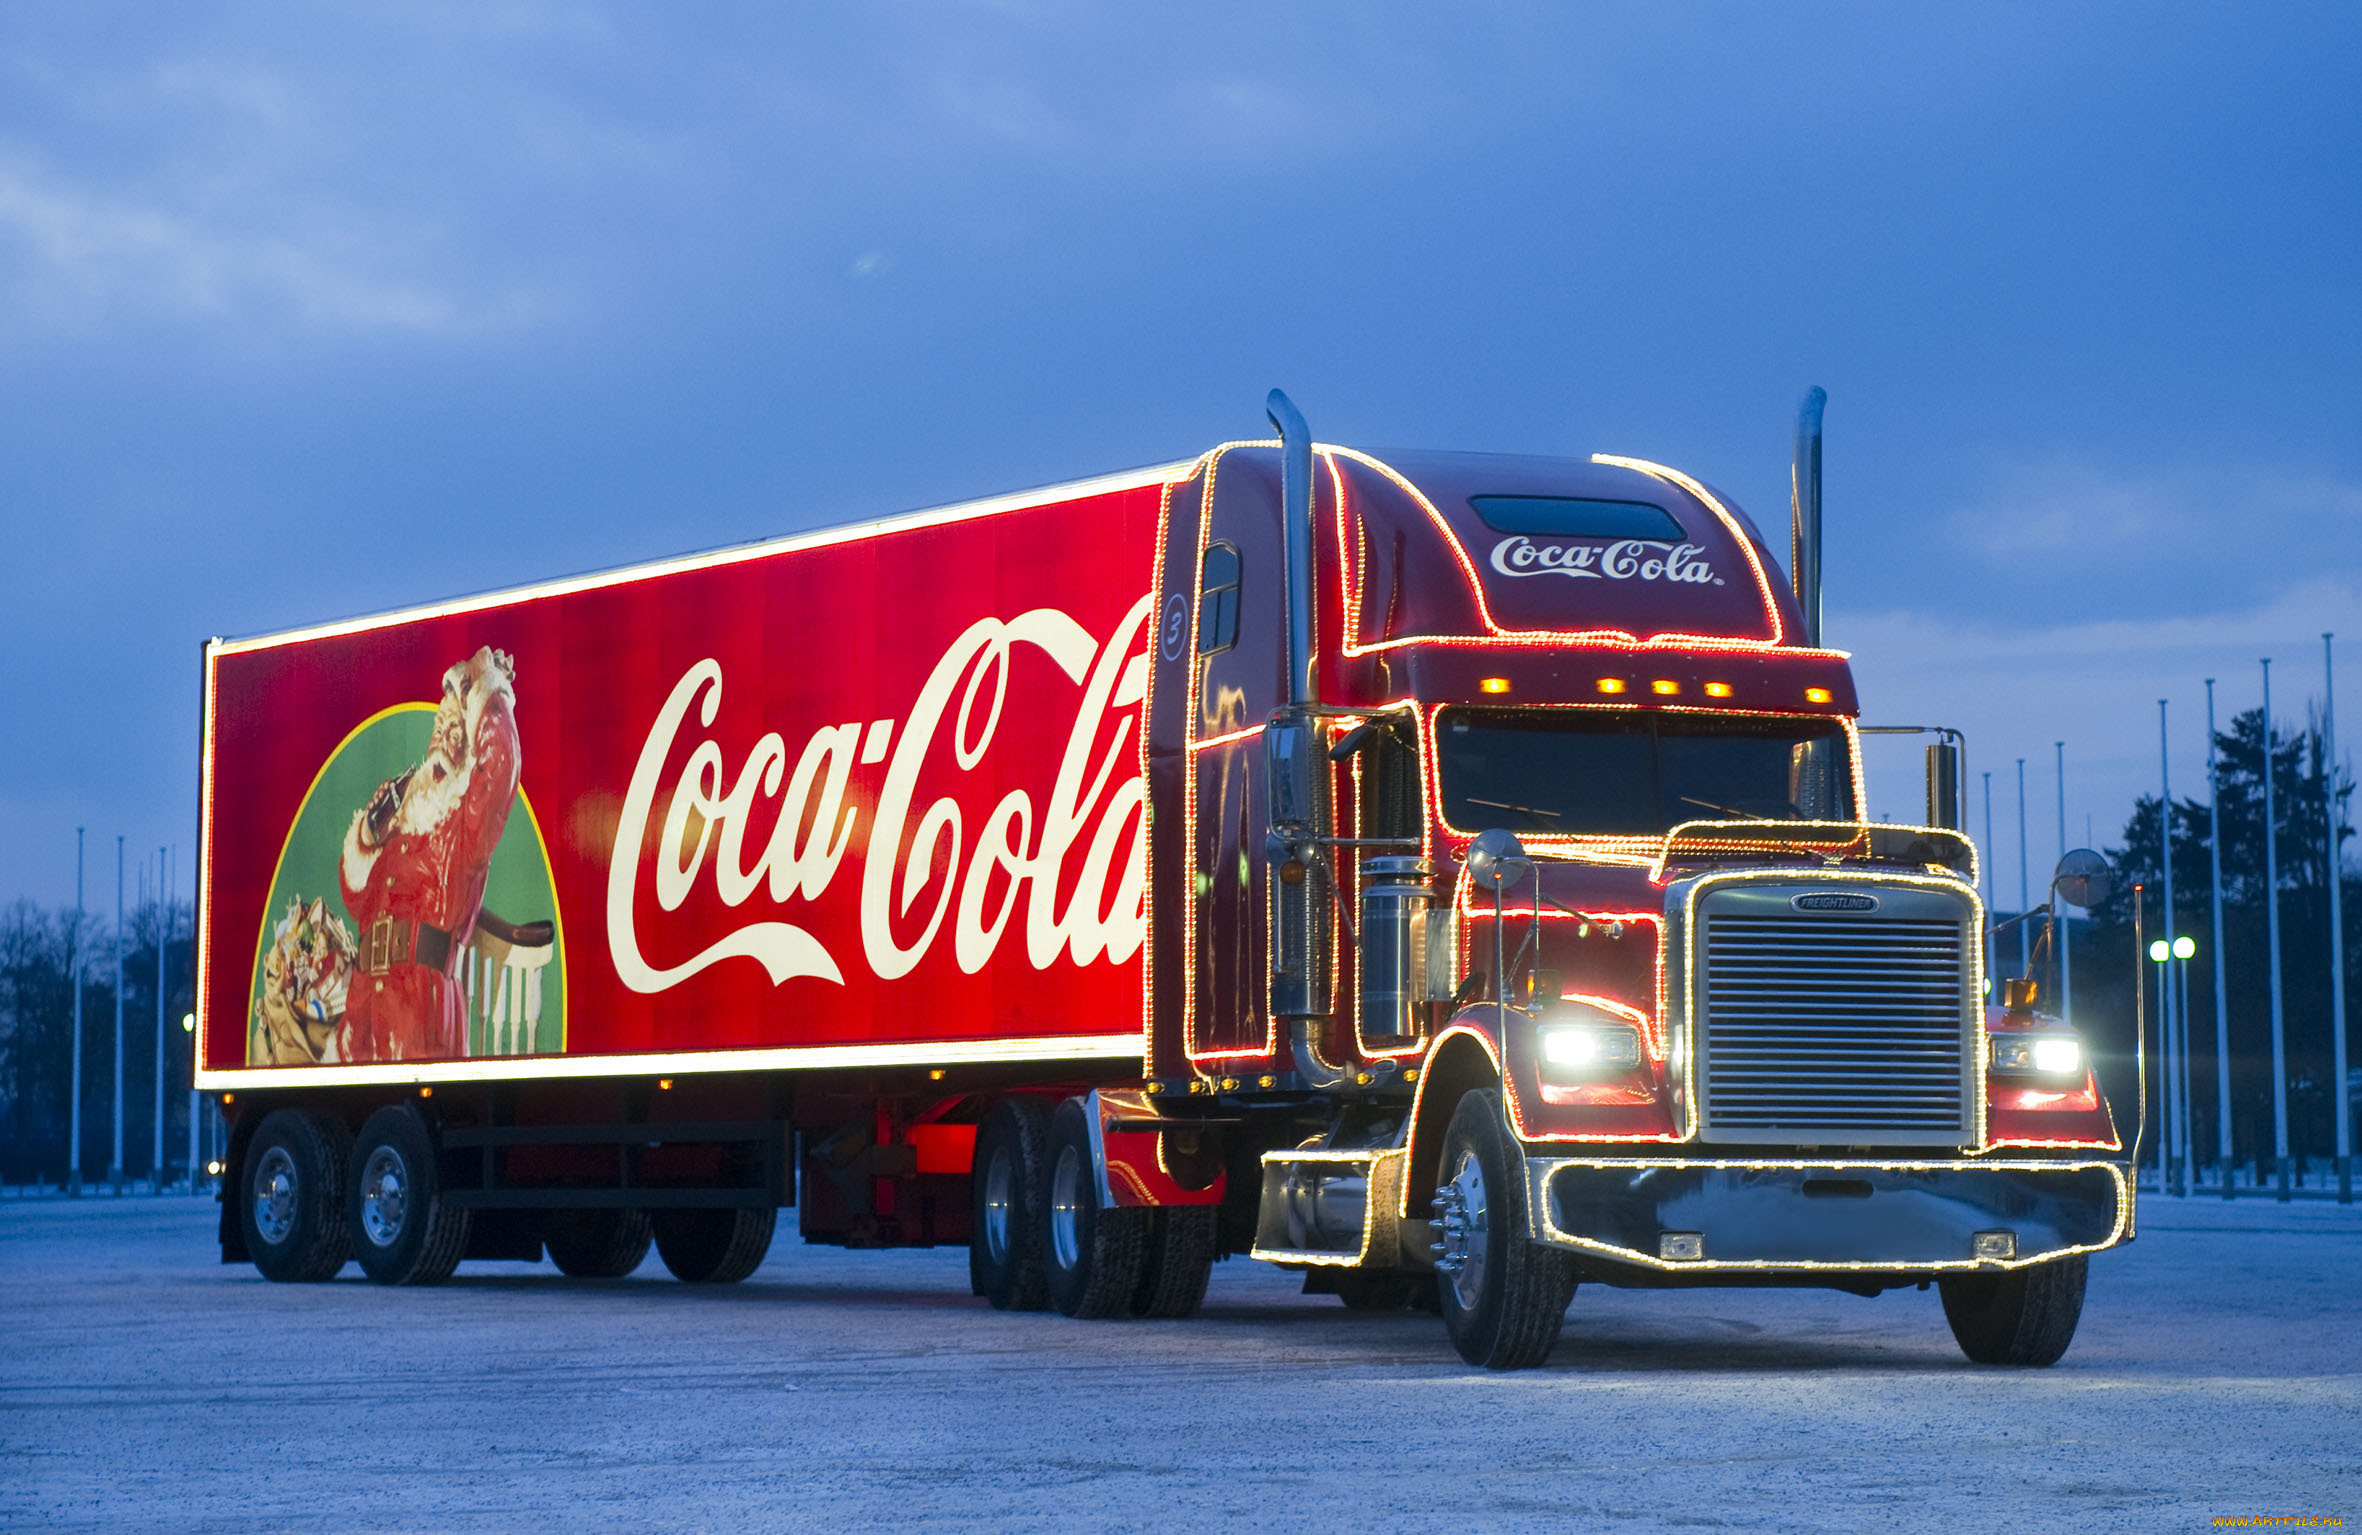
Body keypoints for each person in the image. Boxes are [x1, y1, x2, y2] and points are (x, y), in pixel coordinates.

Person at [335, 648, 521, 1062]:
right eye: (439, 726)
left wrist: (489, 696)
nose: (445, 737)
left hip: (419, 1006)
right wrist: (370, 829)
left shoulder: (463, 822)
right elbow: (356, 899)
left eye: (457, 727)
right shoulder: (402, 821)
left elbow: (501, 767)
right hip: (363, 1004)